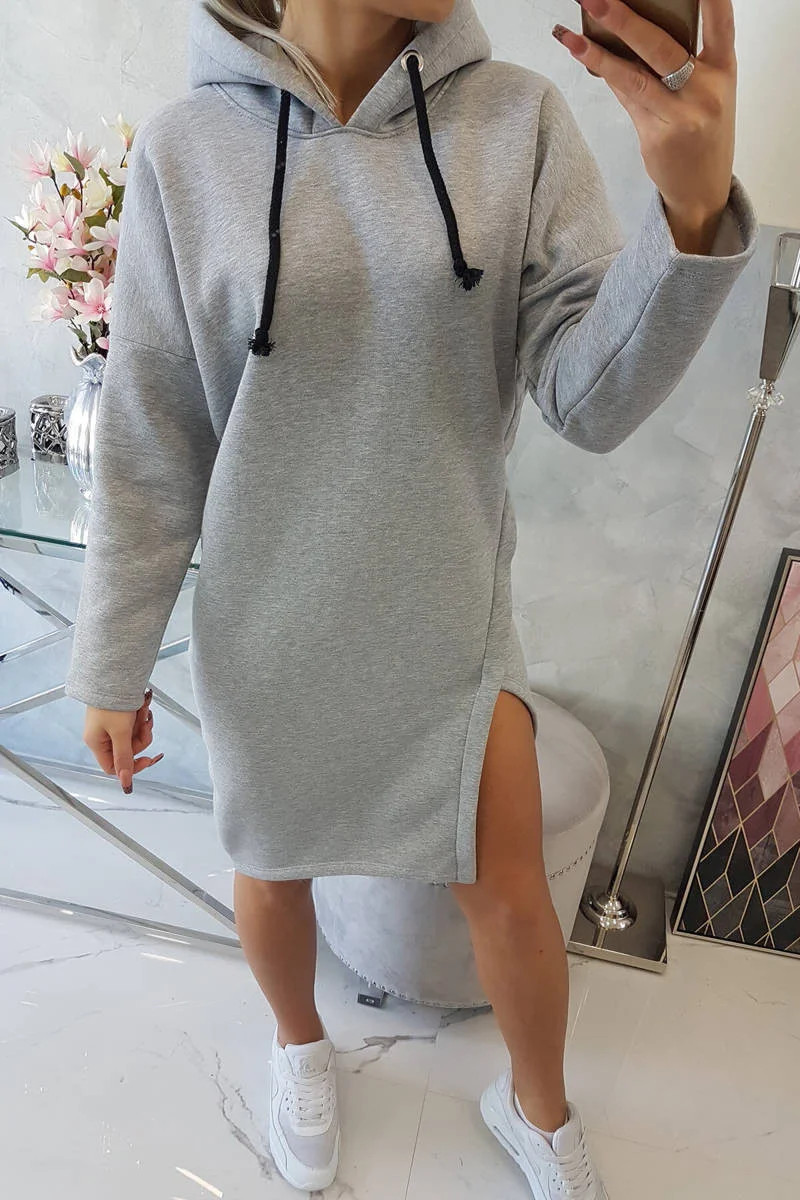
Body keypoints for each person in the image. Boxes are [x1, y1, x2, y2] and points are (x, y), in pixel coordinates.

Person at [64, 0, 757, 1194]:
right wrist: (109, 661)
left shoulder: (517, 121)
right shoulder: (187, 150)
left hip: (446, 612)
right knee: (270, 871)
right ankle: (300, 1046)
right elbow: (151, 432)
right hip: (266, 615)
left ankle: (535, 1108)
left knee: (510, 899)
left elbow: (587, 400)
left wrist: (687, 217)